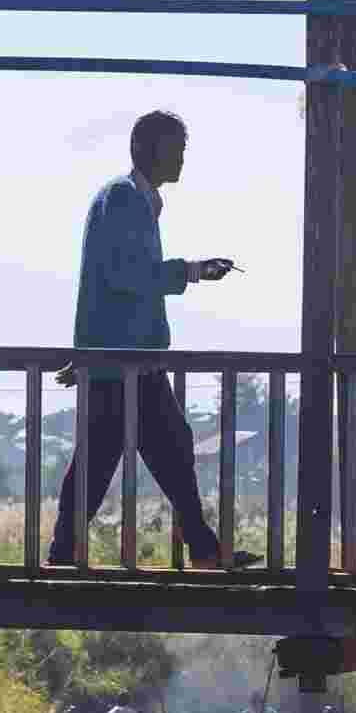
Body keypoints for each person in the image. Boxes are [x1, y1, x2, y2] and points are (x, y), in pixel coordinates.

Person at [48, 111, 250, 571]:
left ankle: (201, 547)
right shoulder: (123, 199)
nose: (181, 157)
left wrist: (84, 352)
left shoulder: (133, 200)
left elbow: (108, 285)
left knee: (166, 448)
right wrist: (193, 271)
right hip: (123, 363)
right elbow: (124, 276)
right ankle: (64, 556)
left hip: (129, 359)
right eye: (175, 148)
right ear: (149, 150)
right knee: (106, 463)